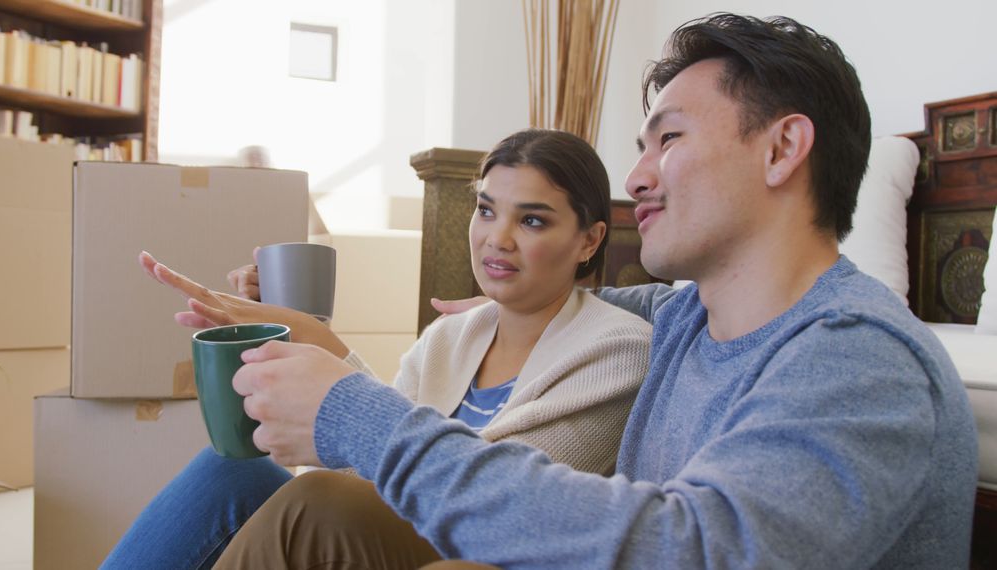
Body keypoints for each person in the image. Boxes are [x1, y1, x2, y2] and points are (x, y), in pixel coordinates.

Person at [207, 13, 978, 569]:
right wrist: (520, 298)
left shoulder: (859, 358)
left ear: (782, 148)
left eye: (669, 138)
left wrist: (354, 414)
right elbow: (623, 305)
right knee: (314, 507)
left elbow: (696, 549)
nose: (637, 178)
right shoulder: (690, 316)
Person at [101, 129, 654, 568]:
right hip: (410, 528)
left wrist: (325, 348)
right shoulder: (452, 336)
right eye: (486, 210)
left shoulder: (617, 350)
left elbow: (491, 498)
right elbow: (368, 468)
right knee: (234, 470)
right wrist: (303, 340)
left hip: (484, 544)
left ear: (590, 239)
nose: (497, 238)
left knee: (309, 504)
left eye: (531, 220)